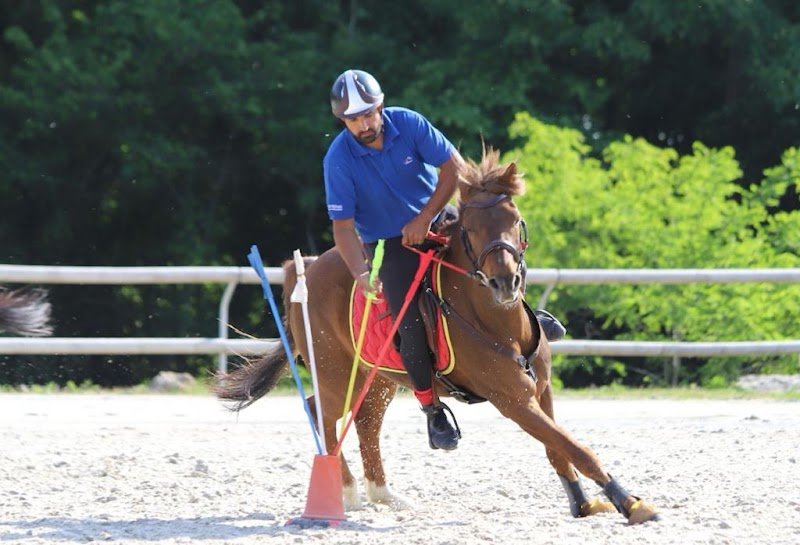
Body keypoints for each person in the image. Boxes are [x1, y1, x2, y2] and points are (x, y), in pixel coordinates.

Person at [323, 69, 462, 451]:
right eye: (354, 119)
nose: (364, 124)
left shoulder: (410, 123)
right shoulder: (337, 159)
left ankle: (528, 322)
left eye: (369, 114)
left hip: (438, 217)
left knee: (496, 247)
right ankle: (431, 408)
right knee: (406, 318)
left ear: (380, 106)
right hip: (391, 243)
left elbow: (454, 169)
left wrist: (424, 217)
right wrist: (361, 272)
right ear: (342, 120)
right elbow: (343, 227)